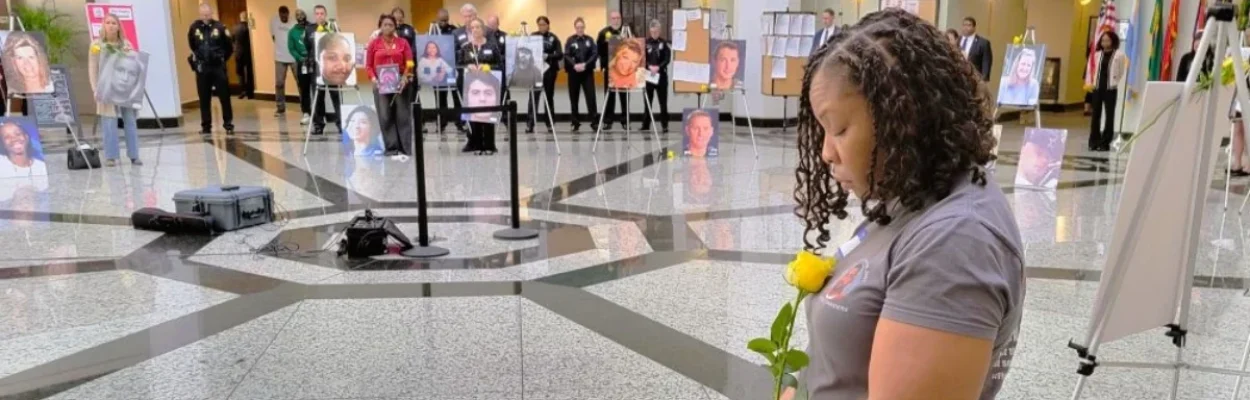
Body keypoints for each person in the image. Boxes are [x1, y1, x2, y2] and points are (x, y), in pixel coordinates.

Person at [781, 9, 1022, 400]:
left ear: (902, 115)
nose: (826, 152)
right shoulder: (910, 197)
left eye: (839, 129)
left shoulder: (955, 243)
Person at [89, 13, 142, 167]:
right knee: (108, 120)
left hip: (125, 88)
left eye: (114, 23)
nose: (111, 25)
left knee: (130, 120)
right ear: (103, 25)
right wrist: (95, 88)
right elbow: (92, 67)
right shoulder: (96, 45)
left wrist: (130, 52)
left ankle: (134, 155)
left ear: (119, 26)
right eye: (108, 22)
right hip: (106, 88)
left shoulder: (126, 43)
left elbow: (135, 64)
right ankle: (111, 156)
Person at [366, 13, 415, 161]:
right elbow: (368, 65)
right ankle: (391, 147)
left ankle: (404, 148)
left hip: (400, 82)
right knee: (385, 115)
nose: (388, 27)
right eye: (385, 24)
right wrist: (374, 79)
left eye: (391, 25)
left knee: (403, 115)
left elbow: (410, 62)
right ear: (380, 26)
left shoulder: (403, 43)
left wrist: (406, 76)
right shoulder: (374, 44)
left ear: (395, 27)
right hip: (380, 84)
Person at [187, 3, 234, 134]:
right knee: (204, 97)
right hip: (203, 68)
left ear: (211, 13)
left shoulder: (220, 27)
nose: (205, 17)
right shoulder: (194, 27)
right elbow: (192, 43)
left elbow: (229, 47)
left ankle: (228, 123)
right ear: (199, 14)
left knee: (224, 96)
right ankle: (206, 126)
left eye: (207, 15)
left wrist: (222, 58)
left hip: (218, 66)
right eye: (203, 15)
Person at [459, 18, 502, 154]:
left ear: (483, 29)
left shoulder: (491, 46)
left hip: (489, 85)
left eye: (478, 27)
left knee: (488, 114)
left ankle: (489, 144)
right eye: (472, 28)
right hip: (471, 85)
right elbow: (459, 64)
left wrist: (488, 66)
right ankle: (474, 143)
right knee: (473, 115)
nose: (475, 30)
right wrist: (467, 66)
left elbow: (500, 65)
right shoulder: (466, 47)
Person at [1087, 30, 1126, 152]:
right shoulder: (1097, 54)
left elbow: (1120, 72)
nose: (1105, 43)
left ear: (1113, 41)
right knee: (1095, 116)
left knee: (1109, 116)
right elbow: (1092, 70)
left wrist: (1114, 82)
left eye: (1107, 40)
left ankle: (1105, 142)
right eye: (1103, 40)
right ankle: (1094, 141)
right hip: (1097, 88)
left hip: (1110, 89)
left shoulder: (1119, 55)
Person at [305, 5, 341, 135]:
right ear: (315, 15)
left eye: (322, 13)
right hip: (317, 67)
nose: (320, 16)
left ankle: (341, 123)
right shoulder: (309, 29)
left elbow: (339, 41)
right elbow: (307, 46)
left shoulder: (332, 27)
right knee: (318, 97)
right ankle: (319, 125)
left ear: (325, 15)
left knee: (335, 95)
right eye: (317, 14)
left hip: (331, 67)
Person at [432, 8, 464, 134]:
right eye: (441, 20)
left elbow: (459, 48)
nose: (443, 23)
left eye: (446, 20)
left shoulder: (454, 30)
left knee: (457, 97)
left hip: (453, 68)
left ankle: (460, 123)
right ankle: (441, 124)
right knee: (440, 98)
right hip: (438, 69)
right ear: (437, 18)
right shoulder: (432, 30)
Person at [565, 17, 598, 133]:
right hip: (574, 73)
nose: (580, 29)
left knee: (591, 98)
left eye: (581, 27)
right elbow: (567, 55)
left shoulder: (590, 40)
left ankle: (594, 122)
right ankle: (575, 123)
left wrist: (585, 65)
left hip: (587, 73)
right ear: (575, 28)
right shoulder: (570, 40)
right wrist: (574, 65)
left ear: (584, 27)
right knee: (574, 98)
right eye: (577, 27)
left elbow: (594, 54)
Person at [532, 16, 561, 134]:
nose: (541, 26)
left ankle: (550, 123)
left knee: (548, 97)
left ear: (548, 25)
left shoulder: (554, 38)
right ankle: (530, 123)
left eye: (544, 24)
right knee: (534, 97)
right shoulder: (533, 36)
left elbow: (560, 54)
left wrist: (548, 56)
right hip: (536, 70)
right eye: (539, 24)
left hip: (550, 70)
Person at [597, 11, 625, 130]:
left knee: (624, 96)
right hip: (609, 68)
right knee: (609, 95)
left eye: (618, 18)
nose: (616, 20)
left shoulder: (626, 31)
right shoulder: (604, 32)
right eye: (613, 18)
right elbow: (599, 50)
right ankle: (608, 121)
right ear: (610, 19)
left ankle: (625, 121)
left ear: (621, 19)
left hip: (623, 69)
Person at [641, 19, 670, 133]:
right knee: (647, 102)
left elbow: (667, 59)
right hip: (649, 76)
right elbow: (642, 58)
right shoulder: (645, 43)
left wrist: (658, 67)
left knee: (663, 103)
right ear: (650, 30)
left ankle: (664, 125)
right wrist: (649, 66)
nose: (654, 33)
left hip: (661, 76)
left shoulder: (664, 43)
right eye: (652, 31)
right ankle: (646, 125)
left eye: (656, 31)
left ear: (660, 31)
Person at [287, 9, 314, 125]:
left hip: (313, 62)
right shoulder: (292, 32)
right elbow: (291, 48)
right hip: (302, 63)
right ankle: (306, 113)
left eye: (302, 16)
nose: (301, 18)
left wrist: (312, 56)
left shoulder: (311, 28)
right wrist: (299, 57)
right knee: (304, 89)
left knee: (316, 88)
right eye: (298, 16)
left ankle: (318, 114)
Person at [271, 6, 297, 117]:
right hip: (280, 57)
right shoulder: (274, 21)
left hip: (294, 57)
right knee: (279, 83)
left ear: (288, 14)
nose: (284, 17)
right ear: (279, 14)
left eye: (285, 15)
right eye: (282, 16)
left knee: (300, 82)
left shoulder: (293, 22)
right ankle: (280, 108)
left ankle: (306, 108)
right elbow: (273, 37)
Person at [959, 17, 992, 81]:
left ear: (974, 27)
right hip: (958, 76)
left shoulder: (983, 43)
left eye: (969, 25)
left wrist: (984, 79)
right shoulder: (958, 39)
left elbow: (986, 62)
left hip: (974, 78)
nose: (966, 27)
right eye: (964, 25)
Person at [232, 11, 254, 99]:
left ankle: (242, 91)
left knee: (240, 73)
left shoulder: (235, 28)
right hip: (247, 53)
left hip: (238, 53)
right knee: (249, 72)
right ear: (246, 17)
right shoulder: (248, 28)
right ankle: (250, 93)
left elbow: (232, 40)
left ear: (240, 17)